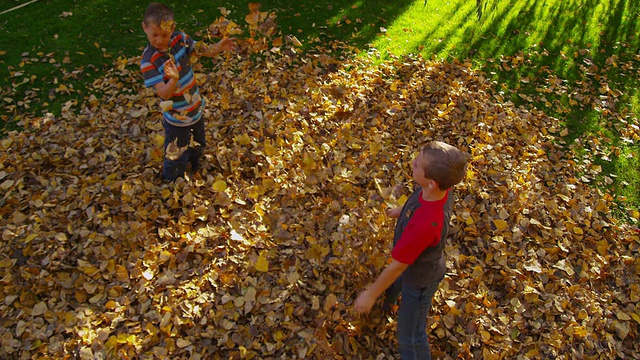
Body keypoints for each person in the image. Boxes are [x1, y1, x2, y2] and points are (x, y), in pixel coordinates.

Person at [354, 141, 469, 359]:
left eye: (417, 165)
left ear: (432, 182)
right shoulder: (436, 190)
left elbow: (397, 267)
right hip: (415, 266)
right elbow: (416, 201)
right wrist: (400, 211)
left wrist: (369, 294)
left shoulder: (425, 225)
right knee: (396, 286)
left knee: (411, 336)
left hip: (420, 281)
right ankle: (386, 304)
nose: (412, 163)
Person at [140, 2, 235, 180]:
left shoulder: (178, 39)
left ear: (173, 28)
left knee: (199, 143)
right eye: (155, 35)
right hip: (176, 118)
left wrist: (219, 47)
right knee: (177, 151)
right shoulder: (148, 62)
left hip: (195, 107)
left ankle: (195, 166)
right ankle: (172, 180)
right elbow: (164, 94)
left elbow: (201, 50)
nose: (160, 40)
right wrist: (174, 79)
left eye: (164, 34)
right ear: (144, 28)